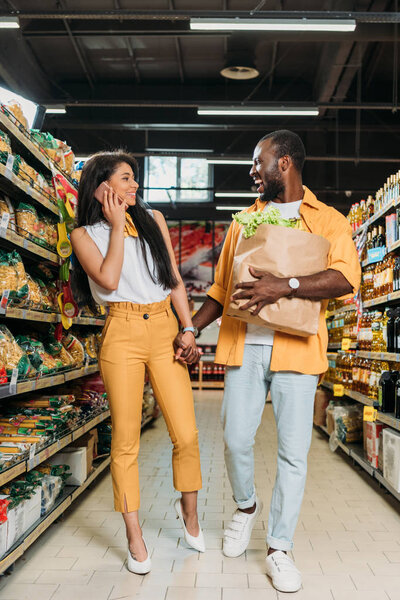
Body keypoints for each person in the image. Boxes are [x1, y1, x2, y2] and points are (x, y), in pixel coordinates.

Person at [174, 130, 361, 593]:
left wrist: (287, 286)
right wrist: (191, 328)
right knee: (236, 440)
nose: (252, 170)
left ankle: (279, 547)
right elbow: (220, 291)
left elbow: (344, 279)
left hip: (298, 348)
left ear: (285, 164)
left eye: (258, 162)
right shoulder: (242, 222)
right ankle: (246, 506)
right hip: (245, 343)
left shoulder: (329, 221)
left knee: (292, 454)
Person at [71, 151, 205, 576]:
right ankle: (134, 537)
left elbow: (174, 280)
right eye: (126, 179)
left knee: (186, 433)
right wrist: (113, 228)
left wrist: (188, 328)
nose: (135, 187)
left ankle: (191, 516)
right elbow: (108, 280)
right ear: (101, 188)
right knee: (125, 442)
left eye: (135, 179)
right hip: (121, 331)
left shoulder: (154, 221)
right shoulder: (83, 235)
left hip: (165, 326)